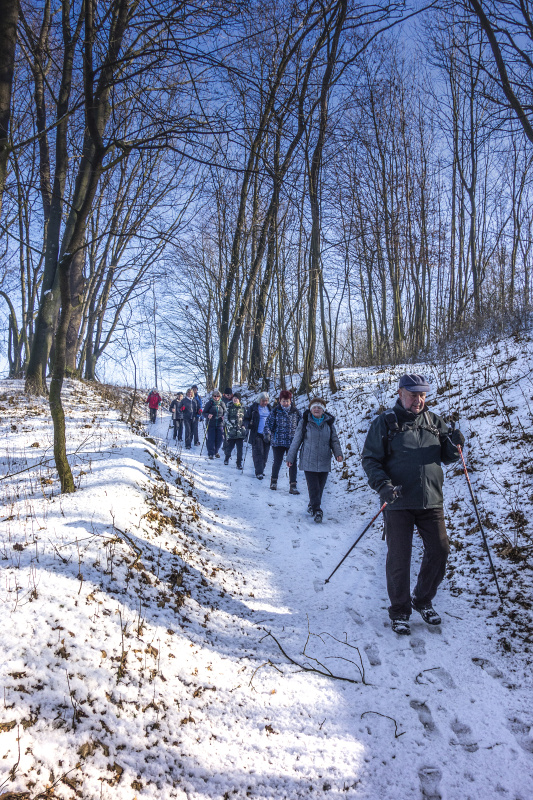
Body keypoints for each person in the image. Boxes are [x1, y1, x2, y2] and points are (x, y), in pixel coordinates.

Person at [361, 373, 464, 636]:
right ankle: (399, 611)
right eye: (413, 394)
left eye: (422, 395)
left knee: (440, 550)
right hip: (398, 501)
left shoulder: (434, 421)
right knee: (399, 558)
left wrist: (454, 444)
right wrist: (383, 485)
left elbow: (449, 456)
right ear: (400, 393)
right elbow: (370, 459)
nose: (418, 400)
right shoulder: (385, 422)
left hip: (431, 500)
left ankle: (422, 599)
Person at [287, 398, 343, 523]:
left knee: (320, 487)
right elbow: (296, 440)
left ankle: (312, 505)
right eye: (314, 407)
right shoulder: (305, 422)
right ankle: (317, 510)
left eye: (319, 407)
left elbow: (334, 439)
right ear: (310, 409)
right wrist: (290, 457)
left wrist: (338, 453)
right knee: (313, 487)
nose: (316, 409)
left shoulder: (329, 423)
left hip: (324, 459)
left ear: (323, 410)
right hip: (309, 459)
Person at [264, 390, 302, 494]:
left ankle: (293, 485)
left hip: (292, 442)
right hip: (278, 442)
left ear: (290, 401)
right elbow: (268, 424)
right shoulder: (275, 411)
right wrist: (267, 434)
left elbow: (301, 426)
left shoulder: (296, 412)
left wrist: (302, 437)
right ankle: (274, 481)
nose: (285, 403)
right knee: (277, 461)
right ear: (280, 401)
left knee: (292, 463)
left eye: (287, 401)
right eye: (283, 401)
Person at [244, 392, 272, 479]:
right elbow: (246, 418)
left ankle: (261, 469)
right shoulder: (253, 408)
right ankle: (259, 472)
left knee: (265, 454)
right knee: (258, 453)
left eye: (266, 401)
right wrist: (248, 424)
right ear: (259, 400)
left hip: (267, 434)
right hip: (257, 434)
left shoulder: (270, 408)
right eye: (263, 401)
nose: (265, 403)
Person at [223, 392, 246, 468]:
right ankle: (226, 458)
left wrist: (244, 425)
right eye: (234, 398)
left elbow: (245, 419)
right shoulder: (229, 407)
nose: (235, 399)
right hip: (232, 431)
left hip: (240, 432)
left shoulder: (243, 408)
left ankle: (239, 463)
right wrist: (229, 425)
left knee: (240, 449)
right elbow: (225, 418)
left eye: (236, 398)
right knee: (230, 447)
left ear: (239, 399)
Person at [203, 389, 227, 459]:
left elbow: (225, 412)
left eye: (217, 396)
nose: (216, 397)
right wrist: (208, 415)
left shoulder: (222, 403)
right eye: (214, 396)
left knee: (219, 439)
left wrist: (224, 416)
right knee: (211, 438)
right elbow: (204, 412)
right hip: (211, 424)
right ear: (212, 396)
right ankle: (211, 453)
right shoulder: (209, 403)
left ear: (220, 397)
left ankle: (216, 451)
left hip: (220, 424)